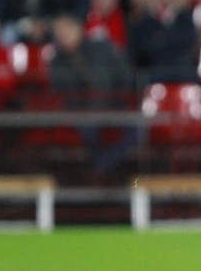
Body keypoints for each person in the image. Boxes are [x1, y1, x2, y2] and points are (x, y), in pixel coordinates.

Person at [48, 14, 138, 176]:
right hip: (83, 112)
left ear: (78, 29)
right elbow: (64, 93)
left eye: (67, 28)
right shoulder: (57, 60)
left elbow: (125, 74)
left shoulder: (101, 47)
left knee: (137, 127)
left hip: (113, 105)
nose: (63, 34)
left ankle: (102, 168)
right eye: (59, 31)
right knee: (89, 129)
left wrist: (119, 96)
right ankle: (101, 174)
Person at [128, 0, 200, 82]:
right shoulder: (145, 21)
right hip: (154, 71)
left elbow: (189, 44)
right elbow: (143, 49)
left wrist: (162, 38)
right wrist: (172, 40)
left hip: (181, 71)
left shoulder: (185, 18)